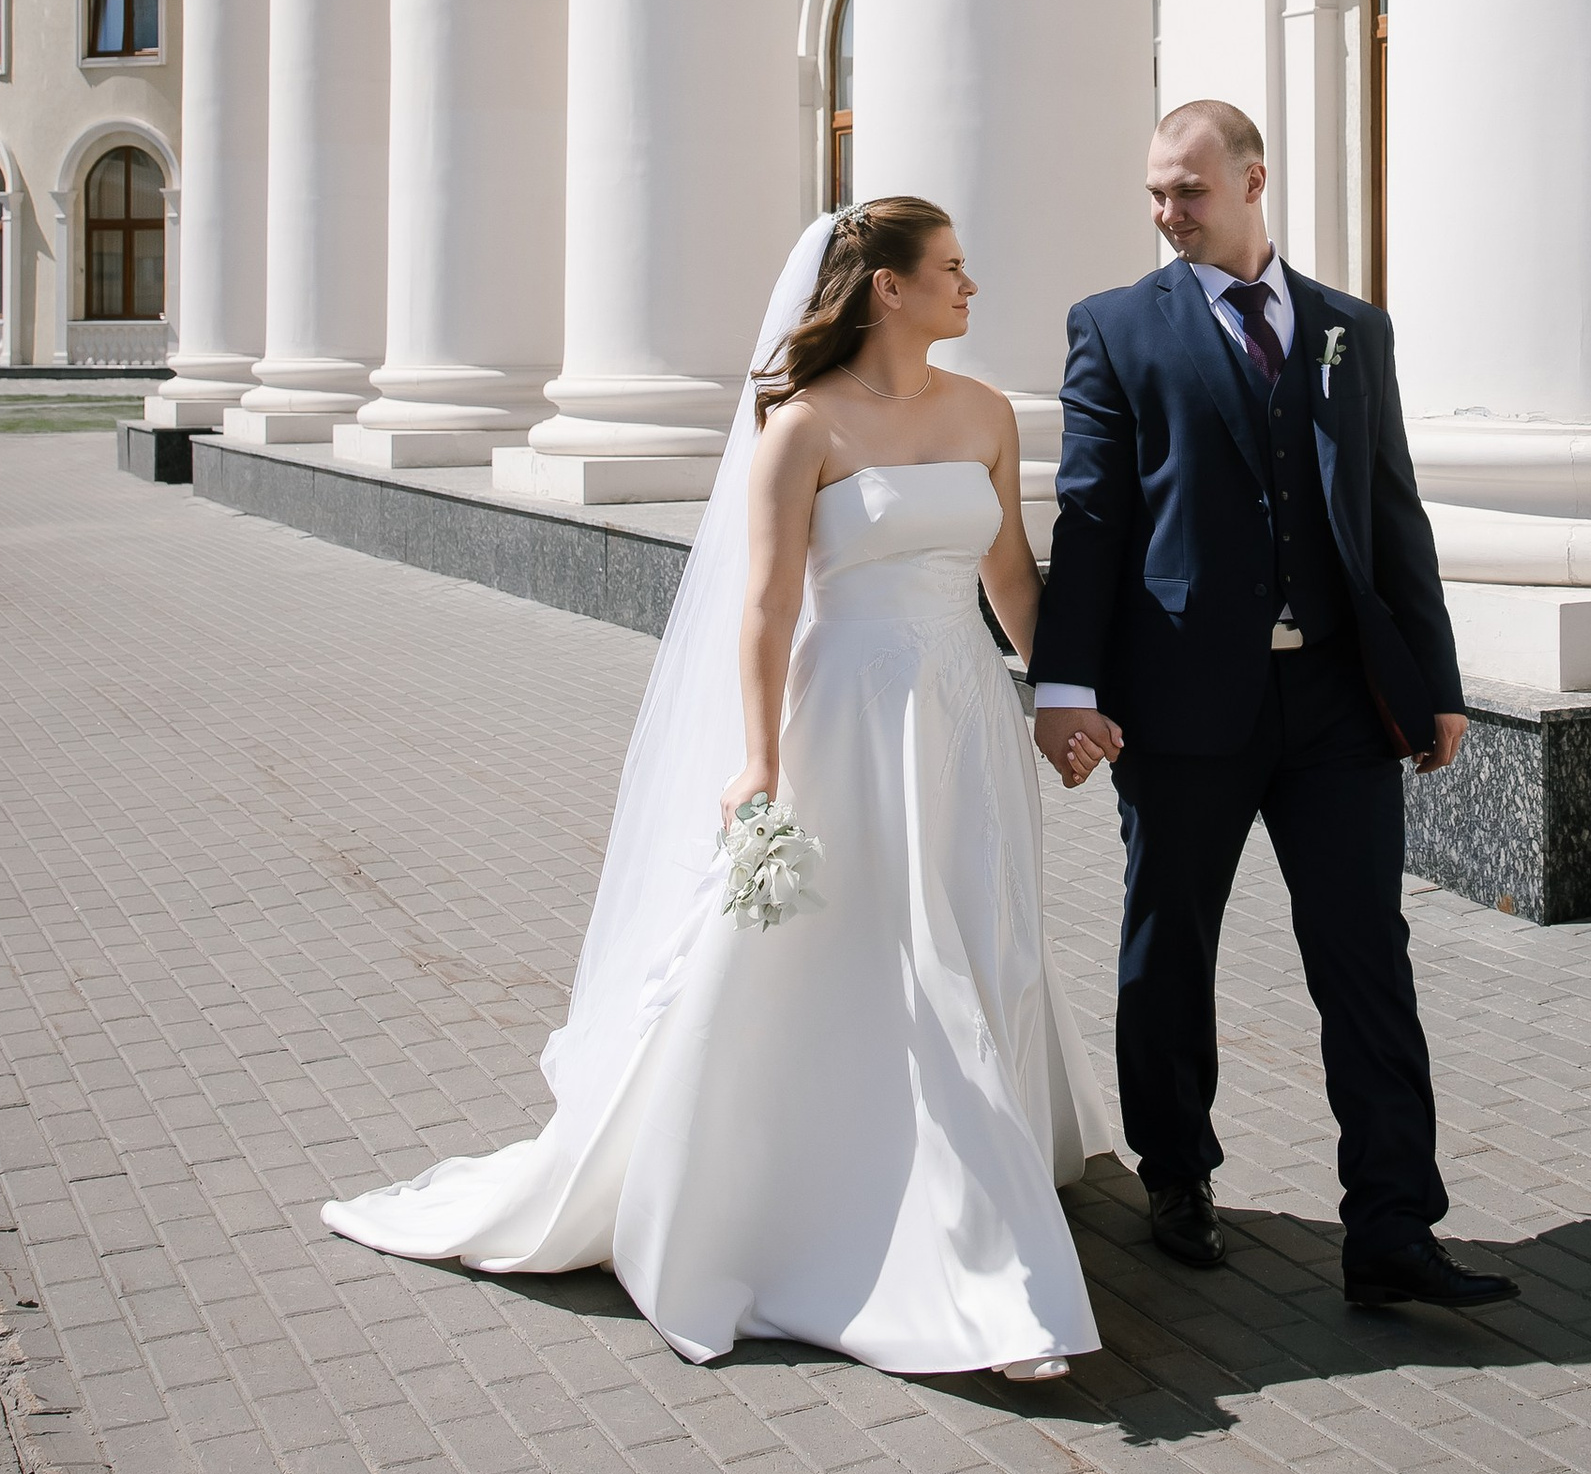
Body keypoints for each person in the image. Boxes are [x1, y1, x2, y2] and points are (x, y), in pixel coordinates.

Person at [324, 203, 1109, 1382]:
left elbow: (1010, 581)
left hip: (960, 719)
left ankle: (967, 1190)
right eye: (949, 270)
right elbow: (765, 608)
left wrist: (1063, 701)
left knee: (970, 933)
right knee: (902, 963)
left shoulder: (986, 414)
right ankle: (980, 1278)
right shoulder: (802, 428)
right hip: (844, 717)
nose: (970, 287)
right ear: (885, 289)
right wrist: (759, 759)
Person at [1030, 100, 1515, 1315]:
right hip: (1183, 701)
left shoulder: (1353, 329)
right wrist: (1064, 686)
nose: (1165, 213)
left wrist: (1435, 684)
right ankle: (1178, 1173)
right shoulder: (1114, 330)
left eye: (1186, 191)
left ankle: (1393, 1224)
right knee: (1169, 946)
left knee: (1366, 960)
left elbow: (1393, 512)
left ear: (1253, 181)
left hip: (1340, 701)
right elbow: (1090, 524)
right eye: (1154, 193)